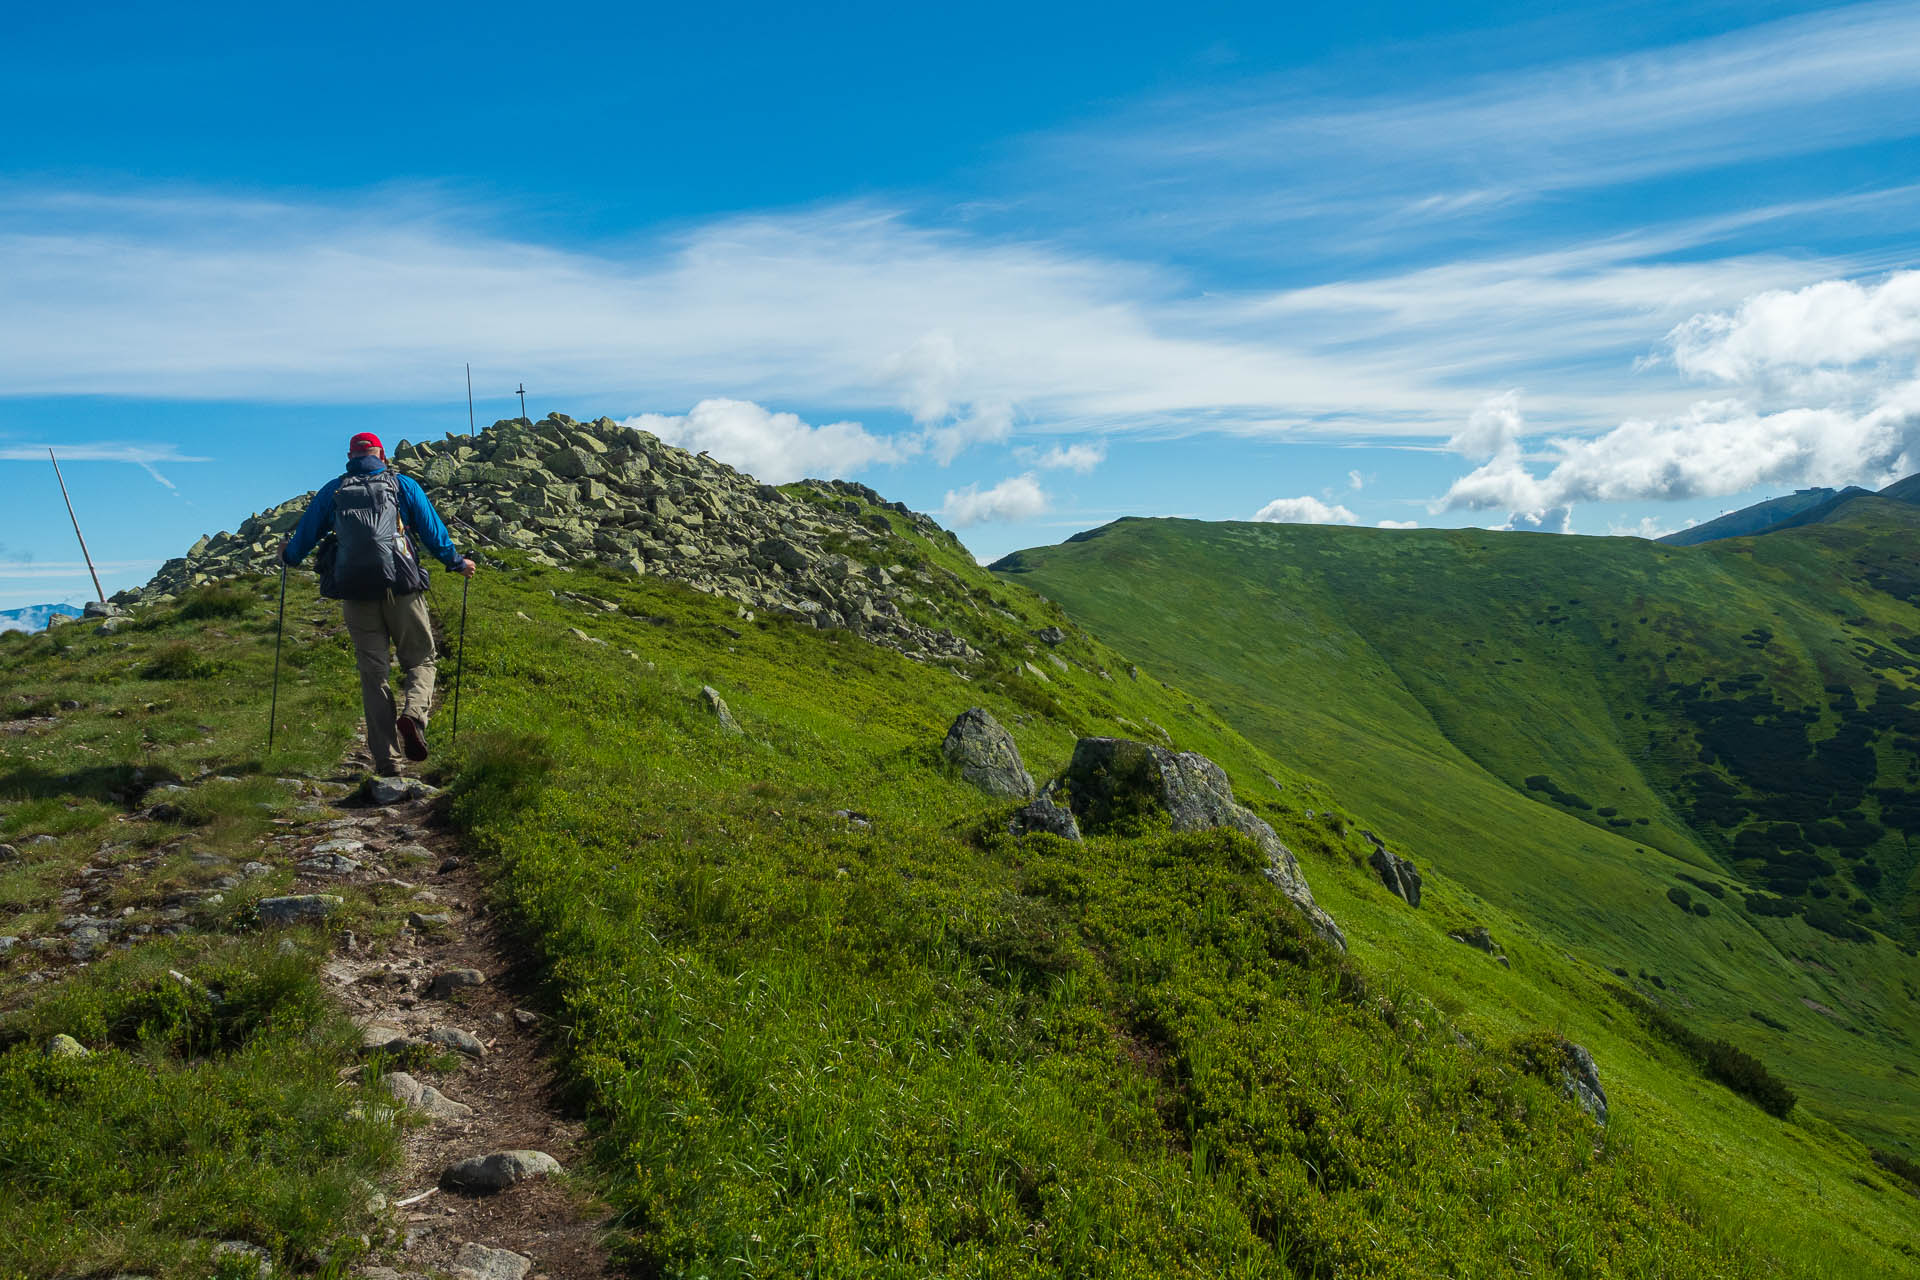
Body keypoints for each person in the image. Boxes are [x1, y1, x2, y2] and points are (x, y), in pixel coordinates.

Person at [282, 431, 475, 775]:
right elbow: (432, 532)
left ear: (350, 456)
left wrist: (289, 555)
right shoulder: (402, 485)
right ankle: (414, 715)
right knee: (420, 658)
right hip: (402, 587)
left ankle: (388, 762)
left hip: (356, 594)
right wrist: (457, 562)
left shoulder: (334, 490)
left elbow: (304, 538)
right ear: (382, 455)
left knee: (374, 675)